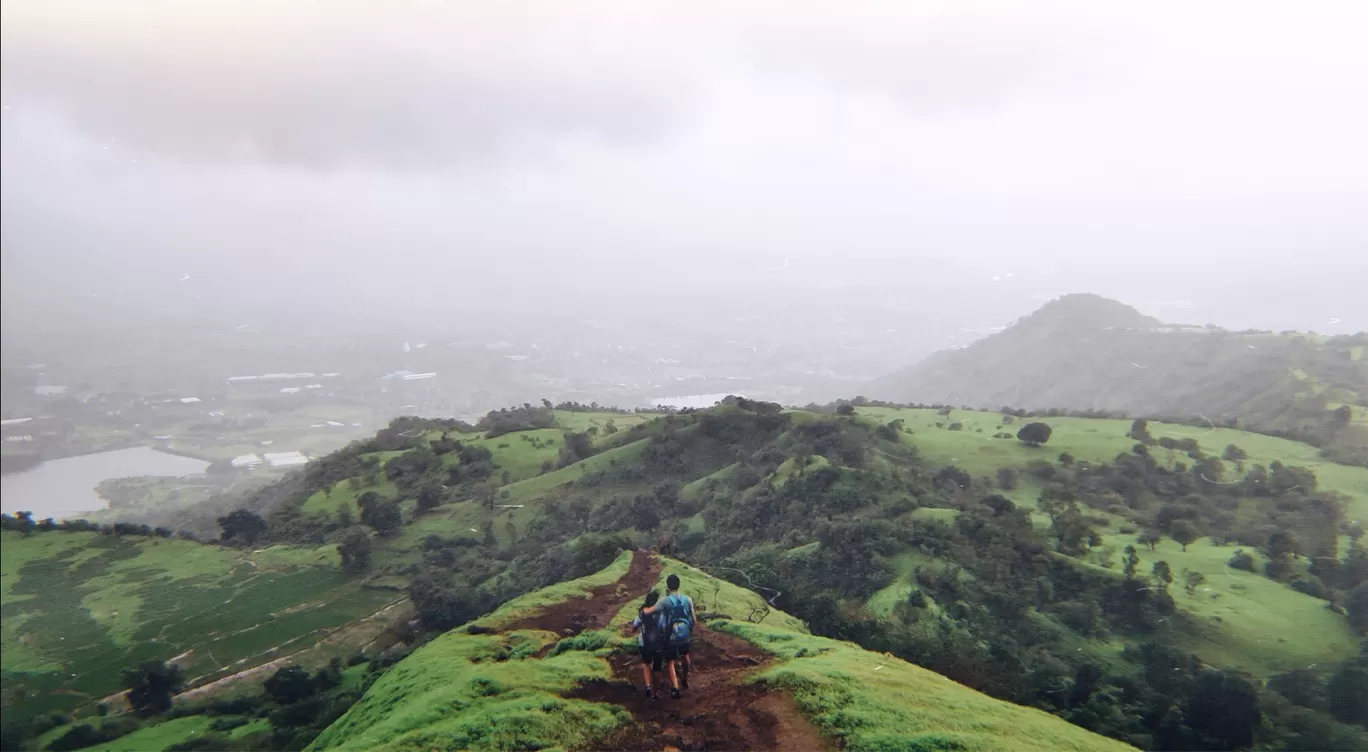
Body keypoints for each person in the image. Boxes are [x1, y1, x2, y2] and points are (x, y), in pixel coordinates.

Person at [644, 573, 696, 698]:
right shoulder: (687, 599)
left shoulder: (665, 601)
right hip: (685, 633)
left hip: (671, 635)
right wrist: (689, 631)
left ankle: (675, 688)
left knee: (670, 661)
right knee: (685, 655)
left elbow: (648, 611)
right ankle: (685, 678)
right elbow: (694, 619)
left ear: (667, 586)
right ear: (679, 586)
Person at [629, 591, 667, 699]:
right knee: (657, 668)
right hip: (658, 643)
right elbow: (665, 627)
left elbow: (634, 626)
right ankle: (656, 693)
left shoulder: (642, 612)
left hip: (644, 642)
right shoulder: (661, 613)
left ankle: (648, 686)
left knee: (646, 663)